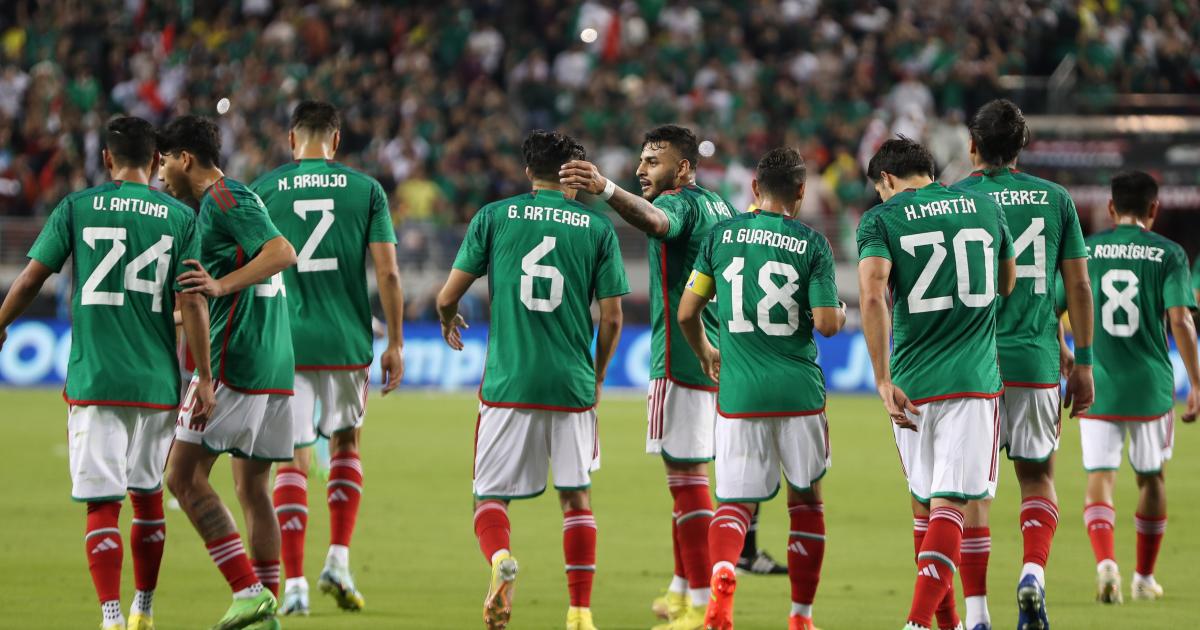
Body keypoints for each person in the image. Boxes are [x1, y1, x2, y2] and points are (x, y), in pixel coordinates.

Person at [0, 116, 212, 630]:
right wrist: (203, 375)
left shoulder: (77, 207)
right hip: (157, 383)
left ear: (107, 159)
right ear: (156, 160)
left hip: (96, 378)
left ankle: (111, 615)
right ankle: (144, 608)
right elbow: (193, 301)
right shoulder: (181, 217)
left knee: (101, 504)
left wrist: (1, 322)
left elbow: (33, 277)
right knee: (147, 497)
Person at [437, 130, 627, 630]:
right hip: (570, 384)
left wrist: (447, 316)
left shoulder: (494, 217)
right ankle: (580, 612)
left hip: (507, 383)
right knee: (576, 497)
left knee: (489, 496)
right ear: (575, 174)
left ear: (528, 172)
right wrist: (599, 374)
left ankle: (501, 560)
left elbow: (445, 296)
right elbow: (611, 319)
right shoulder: (597, 227)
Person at [560, 124, 736, 630]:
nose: (641, 170)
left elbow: (658, 223)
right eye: (640, 160)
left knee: (687, 482)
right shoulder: (718, 204)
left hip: (683, 356)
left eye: (653, 161)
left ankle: (702, 603)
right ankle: (683, 590)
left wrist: (606, 189)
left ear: (682, 168)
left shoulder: (680, 202)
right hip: (716, 350)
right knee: (686, 479)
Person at [676, 147, 845, 630]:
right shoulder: (812, 244)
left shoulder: (720, 237)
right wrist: (839, 313)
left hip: (739, 394)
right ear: (800, 191)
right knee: (806, 501)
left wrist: (707, 351)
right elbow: (830, 325)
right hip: (799, 392)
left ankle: (725, 576)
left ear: (754, 188)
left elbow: (688, 312)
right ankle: (800, 616)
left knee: (733, 502)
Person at [251, 100, 405, 616]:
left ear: (293, 140)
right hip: (346, 344)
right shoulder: (366, 190)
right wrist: (397, 342)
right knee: (345, 442)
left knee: (294, 456)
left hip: (285, 343)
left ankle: (292, 584)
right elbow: (387, 274)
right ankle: (337, 558)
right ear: (336, 142)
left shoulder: (266, 189)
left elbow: (246, 265)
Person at [856, 137, 1015, 630]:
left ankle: (927, 622)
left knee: (926, 507)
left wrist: (881, 379)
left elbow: (872, 294)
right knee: (951, 504)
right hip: (972, 378)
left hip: (910, 383)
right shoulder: (985, 206)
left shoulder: (880, 220)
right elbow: (1007, 282)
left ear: (886, 180)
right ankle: (925, 623)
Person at [949, 98, 1094, 630]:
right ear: (1022, 147)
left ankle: (978, 614)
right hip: (1035, 360)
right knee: (1037, 478)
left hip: (970, 365)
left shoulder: (955, 200)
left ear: (972, 146)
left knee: (972, 490)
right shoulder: (1055, 199)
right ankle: (1032, 573)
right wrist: (1084, 363)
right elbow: (1077, 284)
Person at [157, 114, 298, 630]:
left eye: (166, 160)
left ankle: (247, 591)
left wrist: (219, 287)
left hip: (237, 357)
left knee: (183, 476)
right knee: (252, 489)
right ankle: (266, 615)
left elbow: (283, 251)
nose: (161, 173)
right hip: (273, 358)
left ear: (186, 158)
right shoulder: (232, 199)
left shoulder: (222, 198)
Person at [1073, 171, 1199, 604]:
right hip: (1150, 387)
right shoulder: (1169, 254)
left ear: (1110, 208)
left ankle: (1105, 562)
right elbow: (1181, 319)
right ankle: (1143, 578)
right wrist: (1196, 383)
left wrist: (1065, 356)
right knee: (1151, 477)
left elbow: (1054, 305)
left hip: (1098, 382)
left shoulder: (1085, 250)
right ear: (1153, 209)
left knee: (1100, 477)